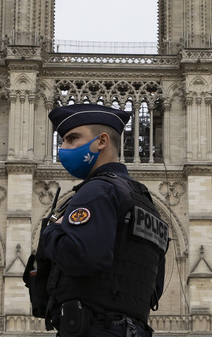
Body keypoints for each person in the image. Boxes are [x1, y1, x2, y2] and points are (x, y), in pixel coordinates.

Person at [39, 104, 168, 337]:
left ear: (102, 141)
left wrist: (51, 231)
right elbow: (154, 289)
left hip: (94, 327)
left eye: (72, 139)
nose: (63, 148)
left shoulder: (98, 190)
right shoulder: (147, 203)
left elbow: (82, 256)